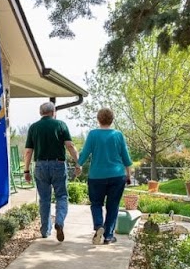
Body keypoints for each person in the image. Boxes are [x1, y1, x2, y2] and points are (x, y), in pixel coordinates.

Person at [23, 102, 81, 241]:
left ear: (40, 112)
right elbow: (70, 146)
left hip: (40, 165)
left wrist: (26, 170)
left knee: (44, 199)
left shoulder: (34, 127)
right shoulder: (60, 125)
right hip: (58, 165)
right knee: (61, 196)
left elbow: (28, 151)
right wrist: (78, 163)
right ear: (53, 112)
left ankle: (45, 231)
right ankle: (59, 222)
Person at [77, 107, 133, 244]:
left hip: (96, 176)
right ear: (112, 120)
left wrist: (78, 165)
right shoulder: (118, 135)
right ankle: (108, 236)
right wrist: (129, 175)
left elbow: (85, 152)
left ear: (98, 119)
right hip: (117, 175)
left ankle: (98, 226)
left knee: (96, 203)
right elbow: (126, 157)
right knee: (113, 206)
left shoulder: (93, 134)